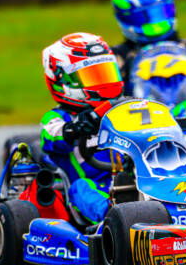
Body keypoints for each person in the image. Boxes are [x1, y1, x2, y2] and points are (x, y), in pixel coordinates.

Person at [39, 33, 124, 224]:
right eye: (92, 76)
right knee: (80, 187)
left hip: (131, 180)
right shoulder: (58, 118)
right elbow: (52, 135)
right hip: (95, 189)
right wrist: (74, 129)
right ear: (63, 81)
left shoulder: (124, 108)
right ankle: (113, 218)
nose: (102, 82)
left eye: (105, 72)